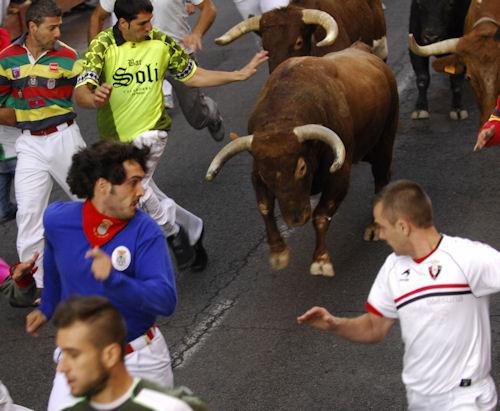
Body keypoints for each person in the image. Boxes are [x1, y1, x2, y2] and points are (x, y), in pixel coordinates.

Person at [75, 0, 268, 271]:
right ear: (123, 23)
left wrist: (239, 74)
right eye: (142, 23)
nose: (149, 28)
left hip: (152, 131)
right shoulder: (101, 45)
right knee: (146, 192)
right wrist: (94, 98)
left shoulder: (162, 42)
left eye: (150, 21)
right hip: (115, 140)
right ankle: (192, 229)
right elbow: (81, 92)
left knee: (129, 185)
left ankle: (172, 233)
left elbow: (193, 76)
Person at [297, 180, 500, 410]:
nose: (381, 235)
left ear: (403, 227)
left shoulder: (468, 257)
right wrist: (335, 325)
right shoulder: (393, 268)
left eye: (382, 226)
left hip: (465, 399)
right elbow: (374, 328)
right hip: (419, 399)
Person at [24, 141, 179, 411]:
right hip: (78, 358)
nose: (142, 191)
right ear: (103, 185)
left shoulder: (146, 233)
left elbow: (165, 300)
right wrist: (47, 307)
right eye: (133, 183)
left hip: (139, 360)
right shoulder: (58, 220)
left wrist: (114, 279)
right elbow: (54, 258)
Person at [0, 0, 86, 288]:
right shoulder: (6, 59)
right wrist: (21, 113)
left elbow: (85, 92)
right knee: (28, 214)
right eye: (52, 27)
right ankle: (38, 285)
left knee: (90, 202)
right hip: (28, 144)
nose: (58, 33)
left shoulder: (69, 56)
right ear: (32, 27)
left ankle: (117, 264)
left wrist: (95, 95)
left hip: (65, 138)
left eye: (59, 26)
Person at [88, 0, 225, 142]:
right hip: (136, 59)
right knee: (133, 117)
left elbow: (208, 8)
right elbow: (97, 17)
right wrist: (96, 59)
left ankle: (211, 114)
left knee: (197, 117)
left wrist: (197, 34)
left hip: (177, 55)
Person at [54, 295, 208, 411]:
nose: (61, 367)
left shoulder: (171, 407)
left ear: (110, 355)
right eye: (62, 353)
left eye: (73, 355)